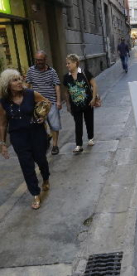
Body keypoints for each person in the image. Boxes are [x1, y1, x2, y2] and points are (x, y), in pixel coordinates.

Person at [0, 69, 51, 209]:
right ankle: (35, 193)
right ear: (7, 84)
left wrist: (42, 115)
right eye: (14, 80)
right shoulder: (3, 102)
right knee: (26, 165)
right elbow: (3, 123)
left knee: (41, 159)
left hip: (36, 133)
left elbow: (47, 103)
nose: (19, 82)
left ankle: (46, 177)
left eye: (19, 79)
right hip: (18, 137)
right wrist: (2, 143)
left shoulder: (30, 94)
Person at [26, 50, 62, 155]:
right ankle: (46, 139)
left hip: (51, 102)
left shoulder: (52, 71)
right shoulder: (31, 71)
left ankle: (55, 145)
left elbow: (57, 86)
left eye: (40, 60)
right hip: (37, 104)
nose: (38, 62)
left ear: (45, 60)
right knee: (40, 125)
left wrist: (58, 101)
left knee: (54, 125)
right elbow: (27, 85)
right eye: (37, 60)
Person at [63, 54, 97, 153]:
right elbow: (66, 92)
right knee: (78, 124)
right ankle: (79, 145)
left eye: (69, 63)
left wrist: (94, 98)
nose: (67, 65)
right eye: (66, 63)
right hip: (75, 105)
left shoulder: (85, 73)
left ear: (75, 63)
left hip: (88, 102)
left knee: (89, 120)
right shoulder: (66, 77)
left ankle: (90, 138)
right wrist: (68, 105)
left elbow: (94, 85)